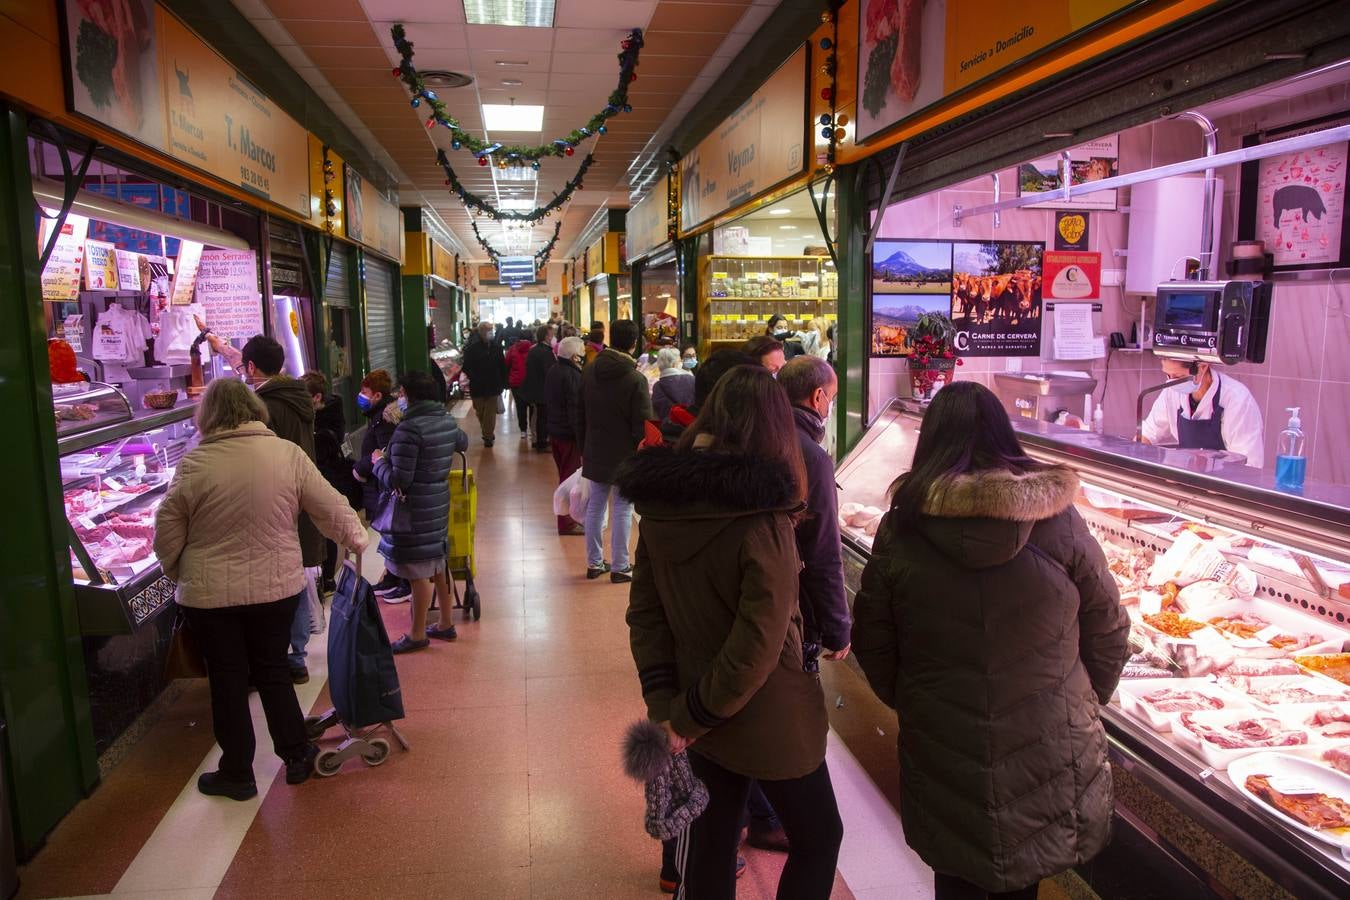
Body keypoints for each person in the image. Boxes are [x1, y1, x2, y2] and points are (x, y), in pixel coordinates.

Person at [851, 381, 1130, 900]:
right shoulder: (1058, 521)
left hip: (942, 737)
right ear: (1005, 436)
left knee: (955, 876)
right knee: (1025, 878)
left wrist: (918, 700)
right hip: (1045, 740)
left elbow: (872, 638)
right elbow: (1110, 629)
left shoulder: (903, 527)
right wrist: (1076, 703)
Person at [616, 365, 843, 900]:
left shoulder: (661, 508)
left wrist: (669, 706)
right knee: (820, 835)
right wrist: (695, 713)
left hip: (696, 704)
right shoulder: (766, 517)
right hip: (769, 713)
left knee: (711, 843)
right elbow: (760, 638)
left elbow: (645, 615)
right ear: (775, 428)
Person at [154, 378, 368, 800]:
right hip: (276, 587)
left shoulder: (194, 463)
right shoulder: (286, 454)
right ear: (255, 410)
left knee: (228, 679)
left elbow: (167, 532)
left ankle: (237, 773)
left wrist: (177, 570)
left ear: (208, 416)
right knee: (272, 671)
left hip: (210, 597)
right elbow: (330, 504)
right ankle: (297, 757)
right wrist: (356, 540)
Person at [240, 336, 324, 685]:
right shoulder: (297, 396)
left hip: (273, 503)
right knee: (297, 578)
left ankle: (276, 656)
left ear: (250, 368)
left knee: (277, 583)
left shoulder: (261, 406)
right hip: (300, 497)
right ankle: (298, 656)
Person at [372, 371, 469, 654]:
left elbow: (400, 480)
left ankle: (416, 634)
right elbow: (462, 443)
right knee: (436, 563)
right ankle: (445, 623)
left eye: (401, 394)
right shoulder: (445, 420)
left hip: (414, 508)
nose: (399, 399)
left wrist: (379, 462)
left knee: (417, 572)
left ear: (409, 395)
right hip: (437, 501)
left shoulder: (408, 430)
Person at [777, 355, 851, 663]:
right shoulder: (811, 456)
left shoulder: (765, 435)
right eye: (831, 398)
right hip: (796, 599)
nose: (829, 405)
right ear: (818, 396)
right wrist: (837, 627)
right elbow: (821, 549)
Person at [577, 319, 652, 583]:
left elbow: (579, 414)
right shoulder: (635, 379)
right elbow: (642, 424)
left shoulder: (589, 371)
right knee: (622, 507)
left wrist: (583, 446)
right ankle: (621, 566)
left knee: (595, 505)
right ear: (634, 343)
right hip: (625, 454)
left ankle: (594, 563)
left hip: (595, 448)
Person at [1140, 357, 1264, 466]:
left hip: (1224, 486)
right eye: (1168, 375)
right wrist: (1134, 452)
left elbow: (1248, 464)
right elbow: (1149, 432)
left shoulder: (1237, 399)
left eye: (1178, 377)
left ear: (1203, 367)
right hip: (1190, 481)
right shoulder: (1172, 391)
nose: (1172, 383)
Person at [352, 369, 409, 603]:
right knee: (388, 535)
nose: (360, 396)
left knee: (393, 533)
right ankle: (393, 575)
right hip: (379, 483)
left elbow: (384, 452)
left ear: (376, 395)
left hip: (384, 484)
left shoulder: (385, 419)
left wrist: (361, 468)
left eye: (364, 392)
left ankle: (403, 581)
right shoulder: (378, 415)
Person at [302, 370, 359, 597]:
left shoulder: (324, 423)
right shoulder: (326, 414)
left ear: (316, 397)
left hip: (326, 479)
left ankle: (327, 578)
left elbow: (320, 454)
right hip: (323, 478)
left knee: (325, 530)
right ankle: (324, 578)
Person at [545, 336, 586, 536]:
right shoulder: (572, 376)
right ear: (574, 356)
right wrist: (582, 440)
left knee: (565, 475)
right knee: (569, 479)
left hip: (555, 431)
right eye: (581, 354)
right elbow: (575, 411)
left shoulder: (554, 371)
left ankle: (568, 519)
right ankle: (566, 522)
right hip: (568, 435)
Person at [461, 321, 508, 447]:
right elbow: (466, 367)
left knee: (490, 412)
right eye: (488, 330)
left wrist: (504, 383)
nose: (490, 332)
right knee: (480, 411)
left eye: (491, 330)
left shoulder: (497, 348)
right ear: (481, 332)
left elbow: (502, 366)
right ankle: (486, 431)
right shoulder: (472, 349)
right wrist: (475, 377)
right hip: (477, 386)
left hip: (493, 385)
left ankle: (488, 436)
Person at [523, 324, 555, 452]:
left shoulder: (534, 349)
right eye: (551, 334)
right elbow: (549, 372)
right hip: (542, 389)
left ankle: (538, 440)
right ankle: (542, 443)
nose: (553, 337)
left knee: (537, 415)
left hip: (535, 388)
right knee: (542, 417)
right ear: (546, 336)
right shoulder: (545, 352)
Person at [650, 346, 695, 423]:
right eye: (679, 360)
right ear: (674, 364)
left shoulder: (657, 387)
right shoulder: (691, 379)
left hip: (667, 429)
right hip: (689, 427)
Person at [506, 330, 534, 439]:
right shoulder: (533, 349)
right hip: (531, 382)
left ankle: (523, 430)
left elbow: (506, 364)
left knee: (520, 407)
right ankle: (532, 429)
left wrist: (509, 378)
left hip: (516, 382)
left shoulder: (512, 349)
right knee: (532, 406)